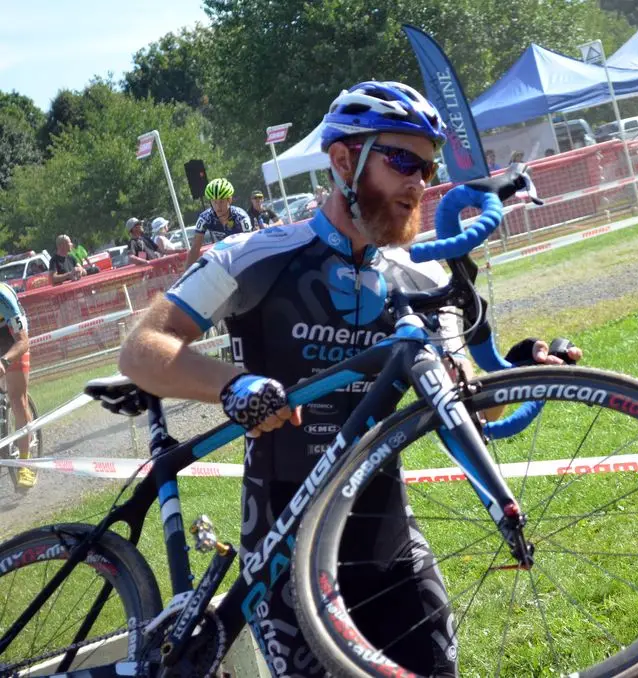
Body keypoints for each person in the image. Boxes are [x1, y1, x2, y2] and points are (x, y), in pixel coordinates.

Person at [117, 79, 581, 677]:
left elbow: (460, 400)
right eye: (402, 161)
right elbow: (142, 350)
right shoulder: (251, 255)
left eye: (427, 167)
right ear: (342, 161)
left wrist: (521, 372)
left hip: (388, 536)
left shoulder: (418, 274)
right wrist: (233, 386)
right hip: (286, 543)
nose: (418, 182)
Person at [0, 282, 35, 490]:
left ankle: (25, 465)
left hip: (12, 339)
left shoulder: (3, 296)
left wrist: (4, 361)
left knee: (17, 400)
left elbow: (23, 341)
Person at [186, 178, 251, 267]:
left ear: (229, 200)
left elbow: (250, 246)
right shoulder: (205, 218)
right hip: (224, 256)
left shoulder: (241, 217)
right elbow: (195, 249)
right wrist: (186, 276)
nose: (218, 206)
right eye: (214, 201)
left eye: (221, 201)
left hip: (242, 252)